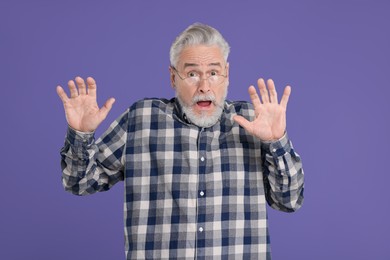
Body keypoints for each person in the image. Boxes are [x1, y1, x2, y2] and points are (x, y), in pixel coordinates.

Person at [57, 23, 304, 260]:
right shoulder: (140, 119)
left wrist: (276, 141)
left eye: (214, 73)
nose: (204, 86)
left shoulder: (254, 122)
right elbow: (79, 182)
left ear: (227, 75)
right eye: (192, 73)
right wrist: (81, 135)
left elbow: (289, 201)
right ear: (173, 77)